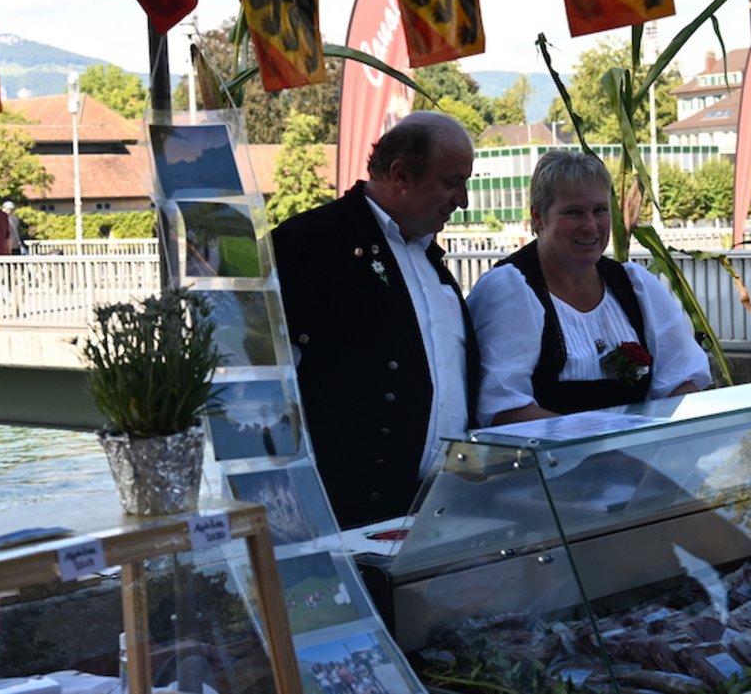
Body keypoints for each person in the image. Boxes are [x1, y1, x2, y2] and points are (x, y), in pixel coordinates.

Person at [272, 111, 480, 529]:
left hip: (436, 503)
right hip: (345, 514)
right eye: (451, 182)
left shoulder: (426, 254)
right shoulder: (310, 244)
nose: (463, 200)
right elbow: (264, 379)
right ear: (401, 174)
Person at [467, 150, 711, 426]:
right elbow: (502, 410)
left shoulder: (635, 286)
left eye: (600, 210)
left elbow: (684, 376)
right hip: (545, 466)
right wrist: (601, 446)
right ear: (538, 218)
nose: (590, 226)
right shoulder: (510, 289)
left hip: (637, 463)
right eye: (573, 212)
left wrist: (653, 443)